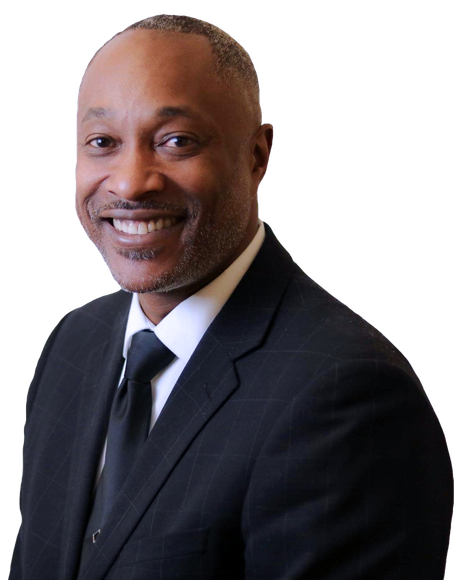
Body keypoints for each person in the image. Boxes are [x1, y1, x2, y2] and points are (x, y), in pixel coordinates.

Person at [10, 14, 453, 580]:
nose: (130, 181)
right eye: (103, 143)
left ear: (257, 154)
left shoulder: (348, 394)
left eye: (176, 141)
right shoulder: (73, 344)